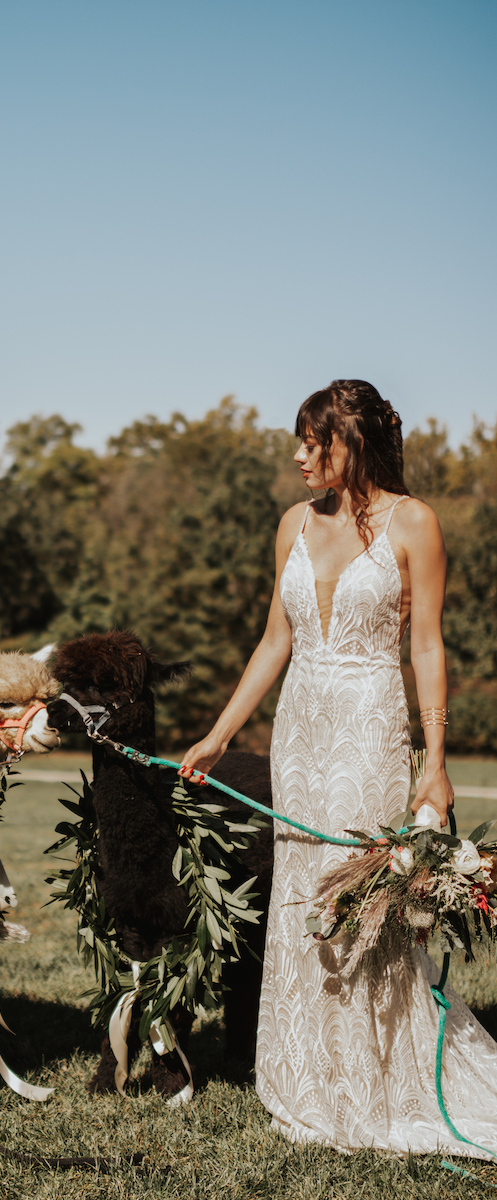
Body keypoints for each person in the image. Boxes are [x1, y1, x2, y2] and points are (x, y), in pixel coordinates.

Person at [180, 379, 497, 1158]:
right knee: (300, 893)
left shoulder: (414, 522)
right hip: (300, 733)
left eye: (313, 442)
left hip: (369, 731)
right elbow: (273, 643)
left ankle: (376, 1079)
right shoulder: (293, 522)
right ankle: (307, 1075)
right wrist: (221, 733)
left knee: (359, 898)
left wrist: (436, 762)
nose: (298, 455)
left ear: (351, 442)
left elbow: (427, 647)